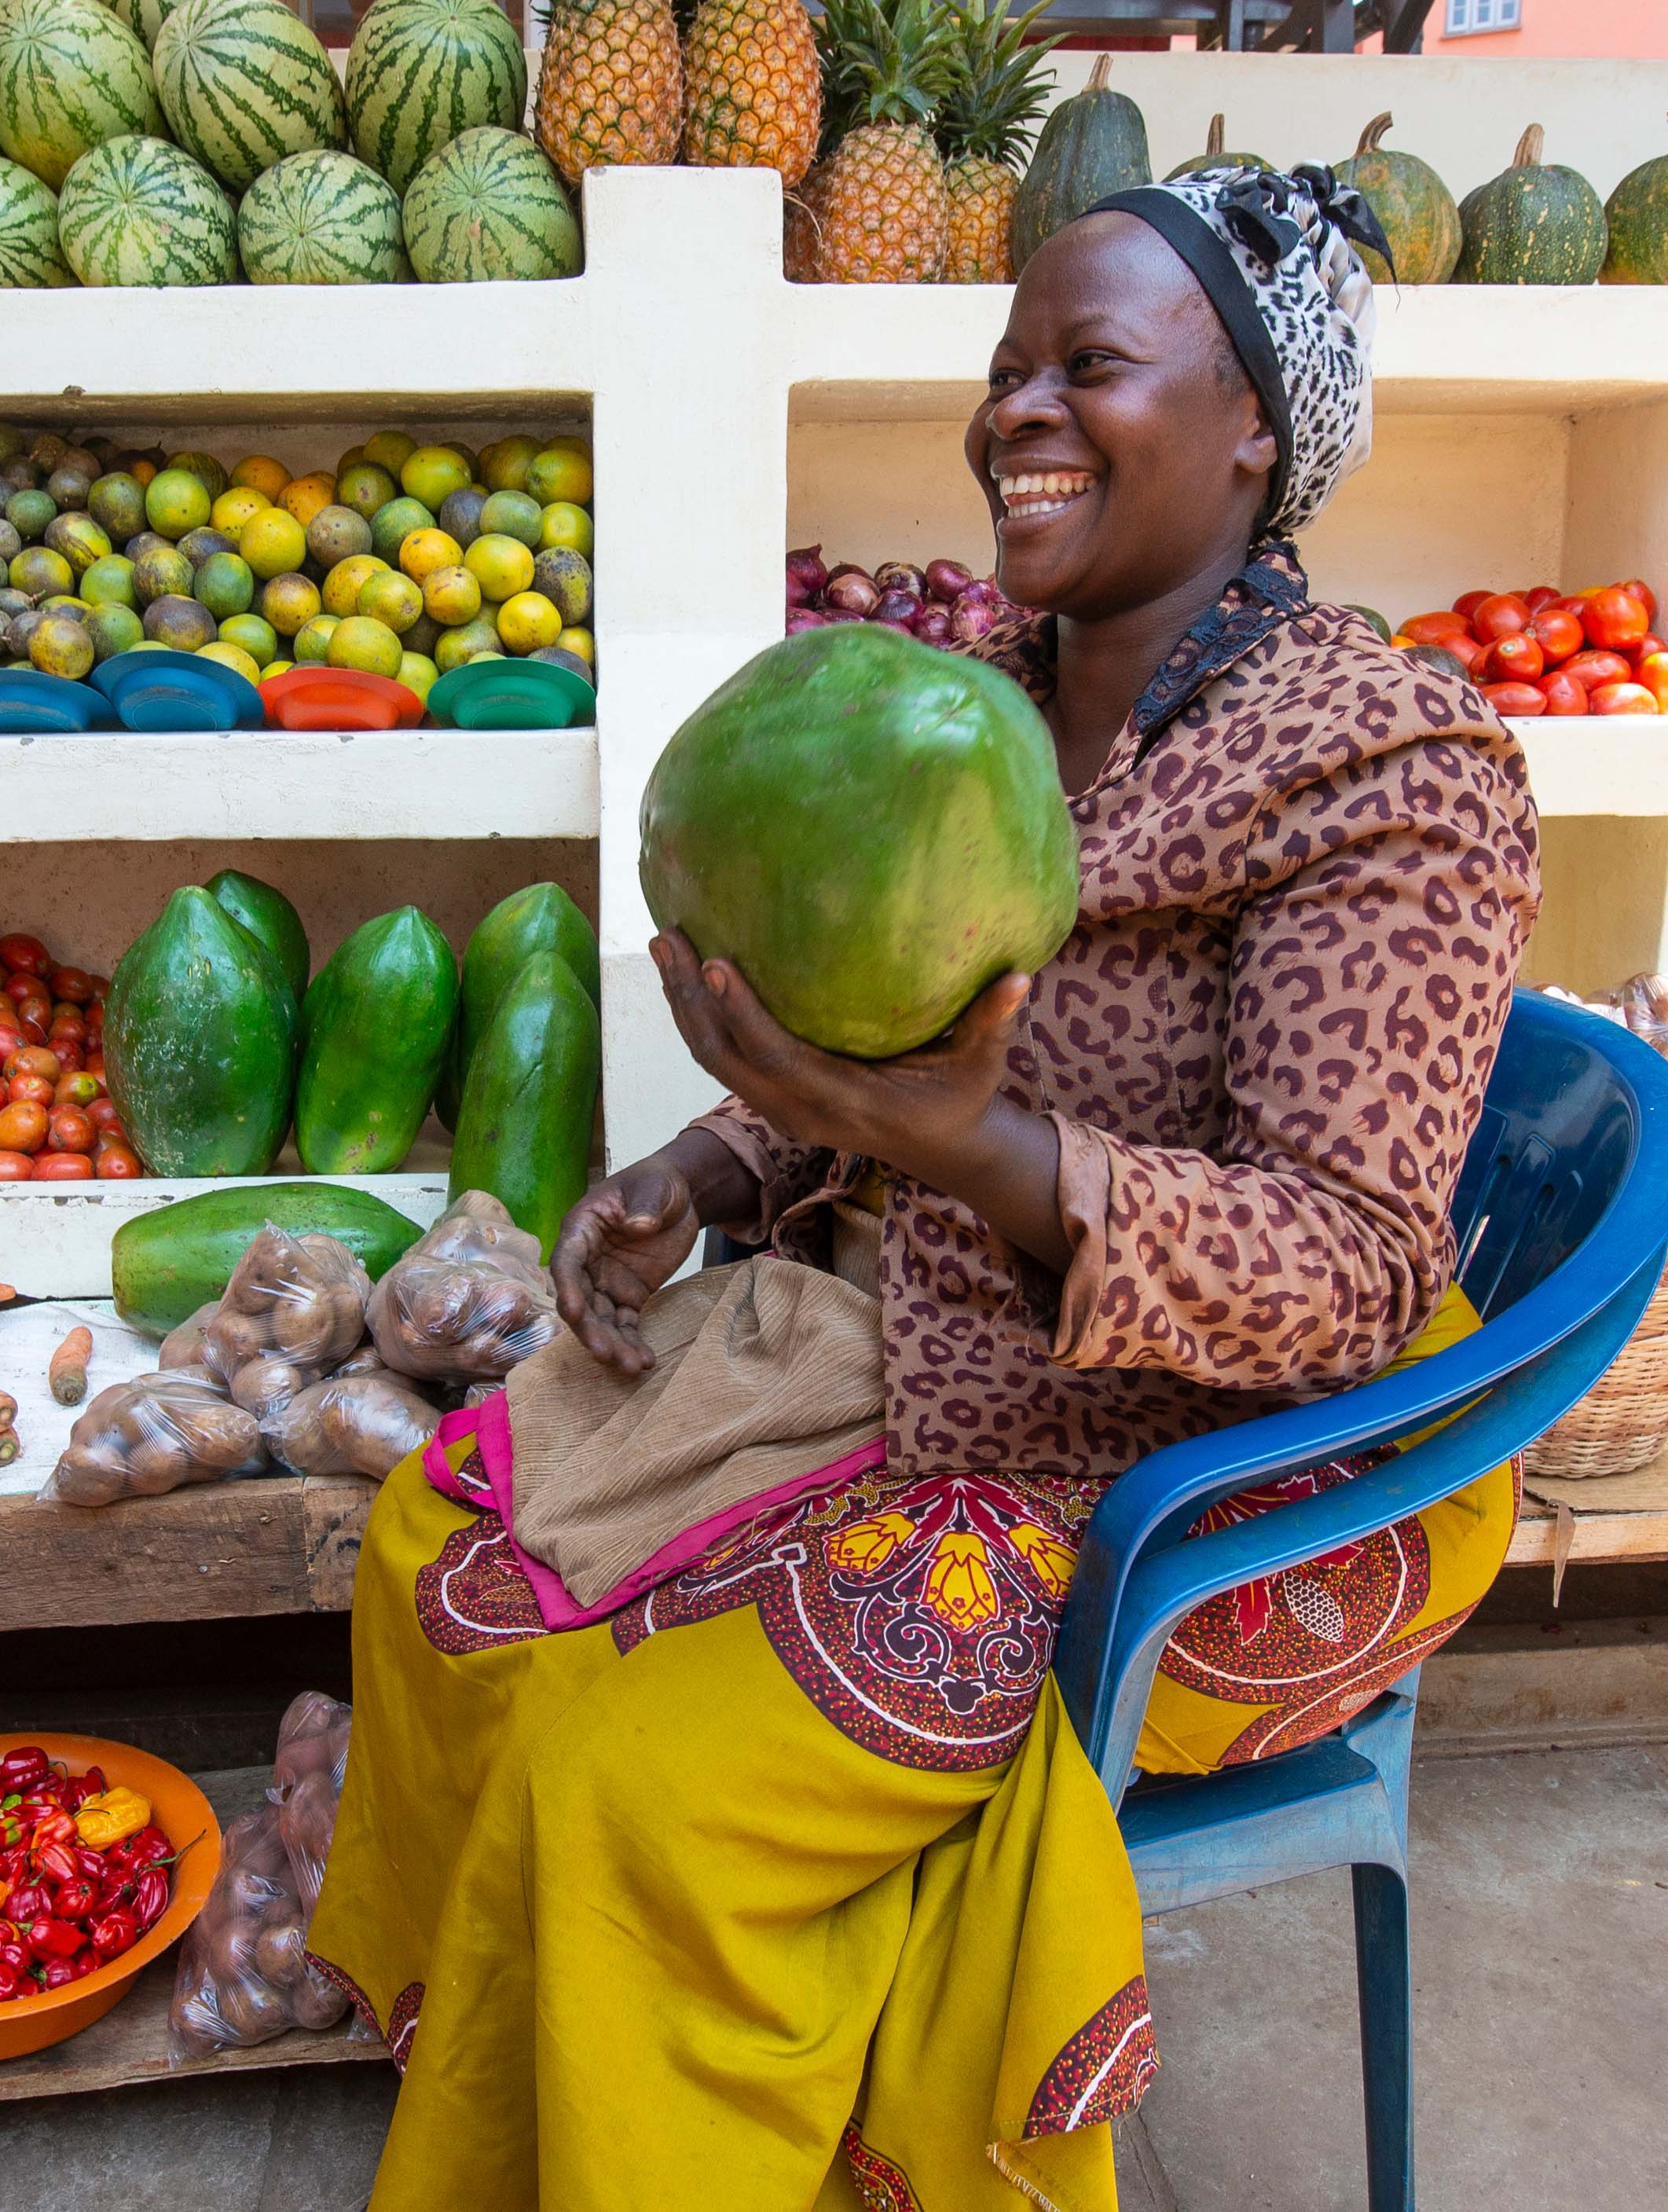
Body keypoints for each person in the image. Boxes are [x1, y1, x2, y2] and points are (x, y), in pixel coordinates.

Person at [306, 167, 1542, 2211]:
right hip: (903, 1338)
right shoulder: (980, 693)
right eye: (1003, 369)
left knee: (639, 1781)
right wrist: (710, 1159)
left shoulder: (1390, 760)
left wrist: (963, 1154)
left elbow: (1344, 1268)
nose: (1016, 414)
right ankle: (533, 2103)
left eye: (1087, 365)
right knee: (445, 1547)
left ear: (1254, 425)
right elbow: (886, 1041)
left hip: (1179, 1460)